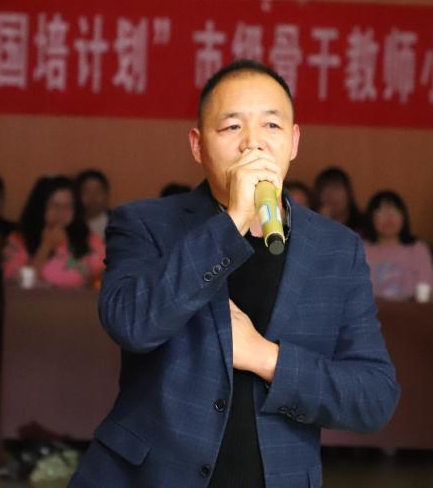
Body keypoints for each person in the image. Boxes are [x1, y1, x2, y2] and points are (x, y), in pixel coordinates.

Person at [70, 60, 399, 488]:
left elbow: (374, 397)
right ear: (197, 145)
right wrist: (234, 222)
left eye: (271, 126)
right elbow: (131, 324)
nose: (253, 144)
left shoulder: (336, 249)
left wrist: (266, 357)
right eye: (231, 127)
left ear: (294, 141)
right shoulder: (146, 224)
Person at [2, 176, 105, 289]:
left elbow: (105, 277)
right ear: (40, 207)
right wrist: (45, 247)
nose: (61, 212)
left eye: (68, 206)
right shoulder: (18, 240)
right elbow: (20, 284)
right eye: (54, 205)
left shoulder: (90, 239)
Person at [362, 190, 433, 300]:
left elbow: (425, 287)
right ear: (371, 218)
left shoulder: (417, 248)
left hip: (412, 308)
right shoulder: (361, 250)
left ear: (403, 217)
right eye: (381, 211)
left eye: (394, 211)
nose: (389, 217)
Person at [313, 166, 365, 231]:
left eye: (336, 188)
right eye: (325, 191)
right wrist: (322, 222)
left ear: (348, 193)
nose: (331, 196)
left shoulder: (364, 226)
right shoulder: (311, 223)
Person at [77, 169, 111, 241]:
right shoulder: (71, 225)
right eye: (86, 192)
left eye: (97, 191)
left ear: (106, 194)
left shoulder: (118, 223)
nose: (92, 197)